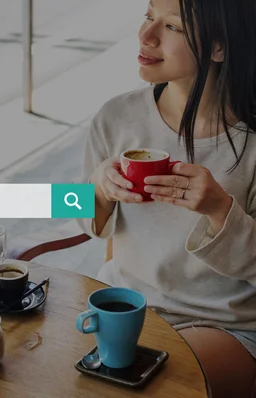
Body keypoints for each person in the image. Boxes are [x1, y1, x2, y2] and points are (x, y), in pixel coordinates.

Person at [78, 0, 256, 396]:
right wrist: (99, 187)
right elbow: (67, 207)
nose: (146, 36)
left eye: (172, 27)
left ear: (219, 47)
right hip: (121, 307)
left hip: (222, 326)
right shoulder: (115, 116)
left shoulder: (251, 145)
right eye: (147, 17)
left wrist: (219, 211)